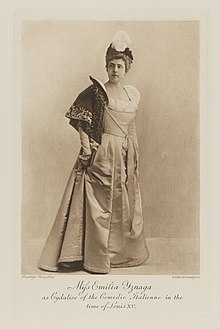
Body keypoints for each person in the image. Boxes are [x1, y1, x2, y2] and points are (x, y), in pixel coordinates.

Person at [38, 31, 149, 274]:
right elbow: (82, 123)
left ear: (126, 67)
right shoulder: (98, 92)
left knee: (119, 202)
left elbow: (130, 127)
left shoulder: (131, 94)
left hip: (122, 153)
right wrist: (87, 150)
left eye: (119, 66)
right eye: (111, 66)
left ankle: (117, 255)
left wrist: (132, 155)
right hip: (102, 153)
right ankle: (90, 256)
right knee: (97, 203)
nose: (115, 71)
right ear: (106, 67)